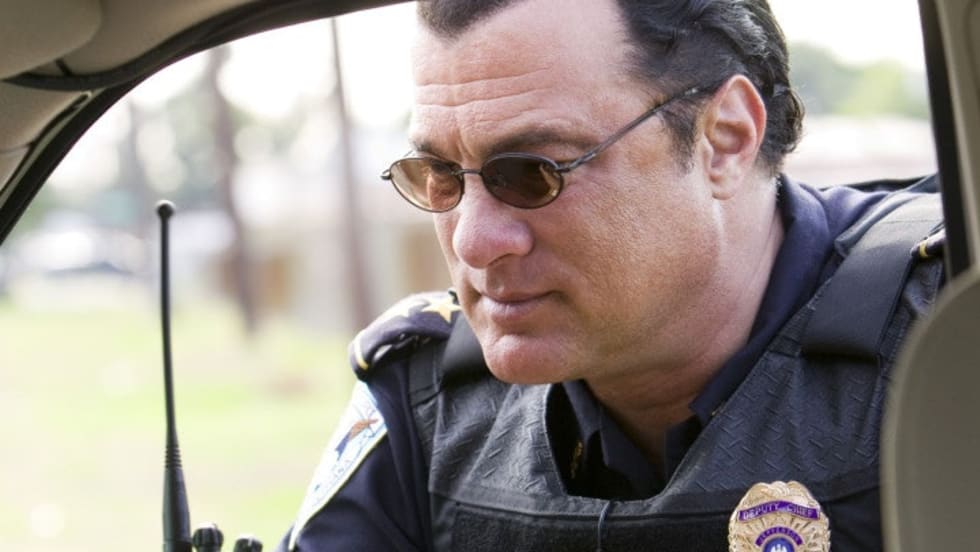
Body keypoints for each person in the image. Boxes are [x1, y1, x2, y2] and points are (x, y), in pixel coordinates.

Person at [278, 0, 944, 550]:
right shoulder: (428, 400)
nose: (474, 243)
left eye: (534, 173)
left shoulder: (945, 335)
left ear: (725, 139)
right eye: (440, 176)